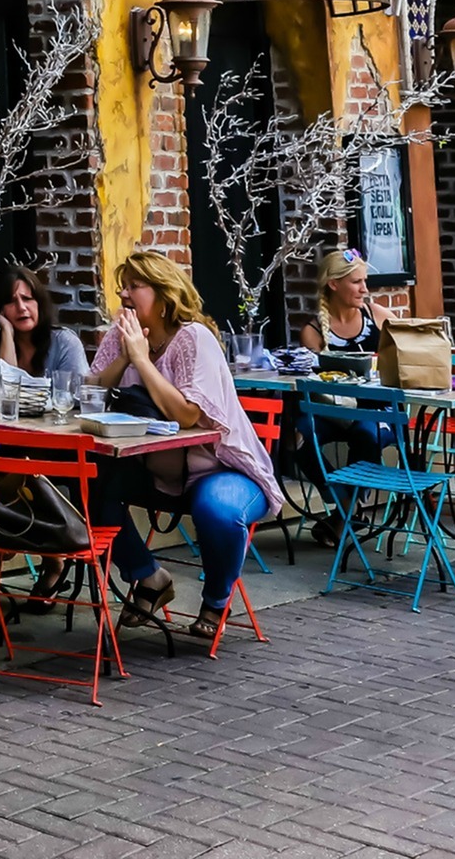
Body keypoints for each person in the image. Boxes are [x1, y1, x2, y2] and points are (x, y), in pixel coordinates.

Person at [85, 249, 283, 648]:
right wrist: (124, 357)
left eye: (134, 286)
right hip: (157, 469)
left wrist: (141, 362)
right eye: (123, 286)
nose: (124, 295)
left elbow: (190, 415)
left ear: (163, 295)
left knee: (218, 509)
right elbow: (88, 394)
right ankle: (149, 577)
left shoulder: (194, 338)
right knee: (88, 490)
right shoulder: (122, 335)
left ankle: (215, 601)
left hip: (221, 468)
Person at [0, 262, 88, 379]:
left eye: (27, 299)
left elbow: (76, 393)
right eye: (11, 301)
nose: (21, 307)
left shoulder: (64, 343)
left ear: (39, 303)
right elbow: (3, 391)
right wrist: (7, 331)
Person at [299, 247, 393, 357]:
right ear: (333, 284)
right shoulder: (312, 332)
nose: (364, 289)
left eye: (364, 281)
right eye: (356, 282)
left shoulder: (378, 316)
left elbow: (409, 348)